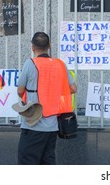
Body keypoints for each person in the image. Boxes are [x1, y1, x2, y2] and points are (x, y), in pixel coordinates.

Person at [16, 32, 77, 165]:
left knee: (27, 161)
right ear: (49, 46)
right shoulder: (60, 64)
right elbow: (73, 89)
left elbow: (20, 91)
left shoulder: (30, 63)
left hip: (33, 123)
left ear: (32, 47)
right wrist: (53, 92)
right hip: (53, 126)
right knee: (48, 161)